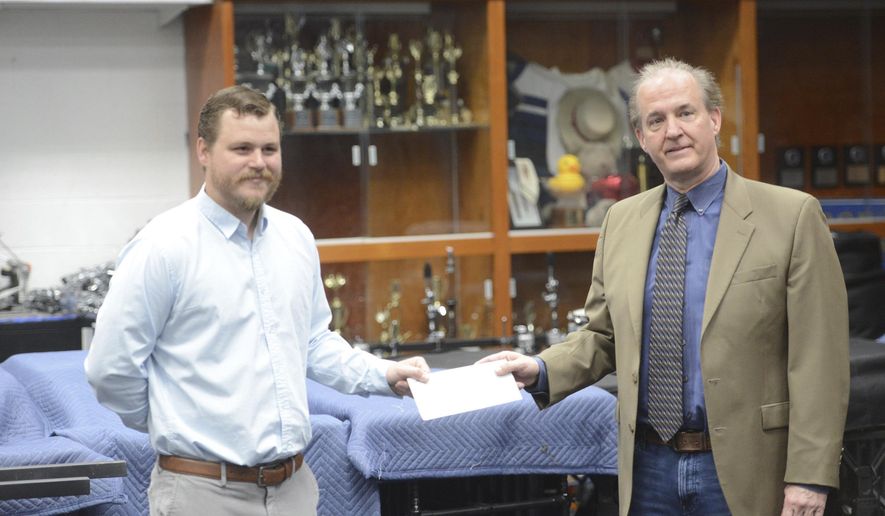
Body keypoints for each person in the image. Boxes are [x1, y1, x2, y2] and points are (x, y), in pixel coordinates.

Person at [481, 58, 849, 516]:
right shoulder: (620, 220)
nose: (672, 130)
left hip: (748, 468)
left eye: (685, 113)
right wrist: (538, 368)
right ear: (640, 137)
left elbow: (820, 359)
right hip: (649, 467)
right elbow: (602, 336)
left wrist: (809, 478)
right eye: (656, 120)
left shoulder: (792, 217)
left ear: (714, 119)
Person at [85, 85, 430, 516]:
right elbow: (109, 369)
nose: (259, 162)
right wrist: (169, 424)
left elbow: (313, 343)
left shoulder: (295, 238)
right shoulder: (162, 247)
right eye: (242, 148)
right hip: (202, 494)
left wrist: (385, 374)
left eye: (270, 148)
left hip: (295, 490)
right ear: (203, 151)